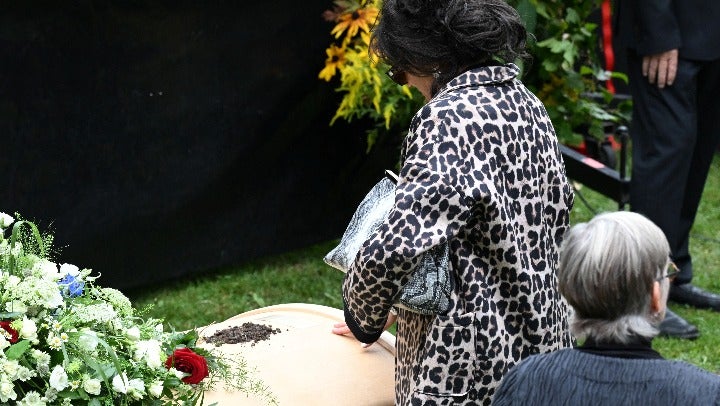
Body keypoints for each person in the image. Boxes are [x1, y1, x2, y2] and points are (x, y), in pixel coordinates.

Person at [331, 0, 575, 404]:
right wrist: (401, 300)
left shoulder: (447, 119)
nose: (405, 82)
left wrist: (363, 314)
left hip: (471, 364)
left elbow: (396, 245)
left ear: (426, 57)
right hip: (546, 342)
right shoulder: (526, 103)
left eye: (399, 70)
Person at [491, 211, 720, 405]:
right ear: (655, 296)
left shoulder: (526, 382)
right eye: (667, 273)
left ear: (571, 290)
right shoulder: (706, 394)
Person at [615, 0, 720, 339]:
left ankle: (674, 274)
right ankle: (645, 289)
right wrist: (657, 32)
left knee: (698, 150)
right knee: (668, 152)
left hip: (711, 31)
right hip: (668, 30)